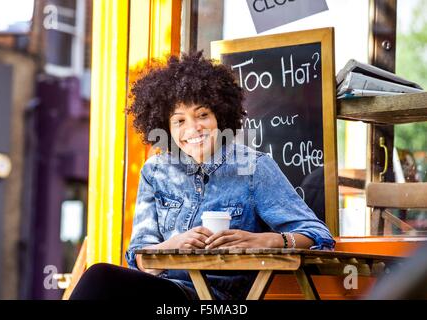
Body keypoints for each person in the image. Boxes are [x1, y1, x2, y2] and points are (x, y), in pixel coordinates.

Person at [70, 52, 335, 300]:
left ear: (219, 116)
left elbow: (317, 234)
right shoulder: (155, 172)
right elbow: (139, 257)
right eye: (179, 121)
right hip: (166, 290)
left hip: (218, 298)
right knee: (100, 278)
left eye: (202, 115)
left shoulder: (253, 167)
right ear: (166, 127)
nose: (193, 128)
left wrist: (264, 240)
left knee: (100, 278)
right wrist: (173, 245)